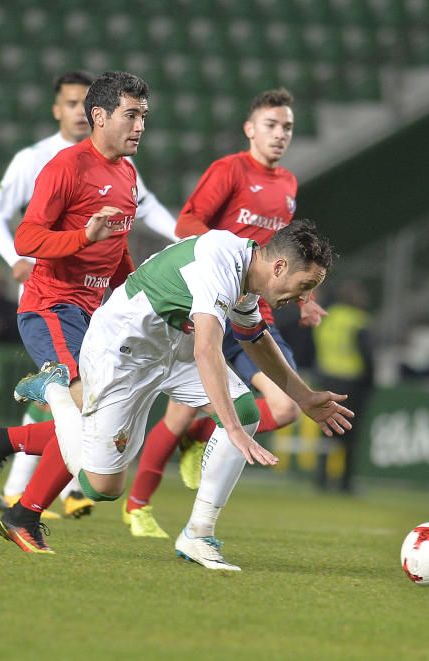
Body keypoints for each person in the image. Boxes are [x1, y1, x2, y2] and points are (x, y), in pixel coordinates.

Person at [0, 221, 353, 569]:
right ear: (280, 268)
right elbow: (208, 350)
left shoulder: (249, 269)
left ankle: (199, 534)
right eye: (305, 285)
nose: (302, 296)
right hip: (122, 352)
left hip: (171, 349)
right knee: (101, 487)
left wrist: (302, 397)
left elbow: (253, 337)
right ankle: (54, 390)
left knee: (245, 409)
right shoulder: (221, 259)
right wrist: (231, 430)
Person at [120, 87, 328, 539]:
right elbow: (186, 225)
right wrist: (228, 252)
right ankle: (137, 506)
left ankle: (207, 433)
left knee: (286, 408)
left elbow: (289, 255)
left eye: (287, 127)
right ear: (250, 129)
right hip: (215, 298)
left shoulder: (288, 184)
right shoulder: (229, 170)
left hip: (253, 308)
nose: (280, 135)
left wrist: (305, 296)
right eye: (271, 125)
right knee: (177, 414)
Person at [0, 70, 178, 518]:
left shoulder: (127, 175)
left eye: (144, 116)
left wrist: (144, 298)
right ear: (99, 116)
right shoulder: (65, 167)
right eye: (131, 116)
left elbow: (117, 252)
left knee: (101, 457)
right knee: (85, 408)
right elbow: (26, 239)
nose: (140, 127)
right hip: (50, 306)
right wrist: (82, 237)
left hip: (92, 318)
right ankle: (24, 513)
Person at [312, 279, 373, 493]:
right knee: (349, 434)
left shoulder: (326, 317)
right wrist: (370, 381)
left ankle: (321, 478)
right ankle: (345, 482)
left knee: (326, 429)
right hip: (351, 381)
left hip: (326, 379)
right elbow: (366, 354)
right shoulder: (357, 320)